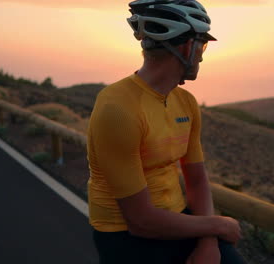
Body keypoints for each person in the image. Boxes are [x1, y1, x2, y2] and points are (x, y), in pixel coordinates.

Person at [86, 1, 247, 263]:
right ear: (187, 47)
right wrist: (218, 226)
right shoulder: (117, 109)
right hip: (126, 237)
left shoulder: (186, 102)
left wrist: (208, 243)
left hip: (178, 221)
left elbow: (196, 180)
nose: (203, 55)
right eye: (202, 45)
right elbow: (140, 221)